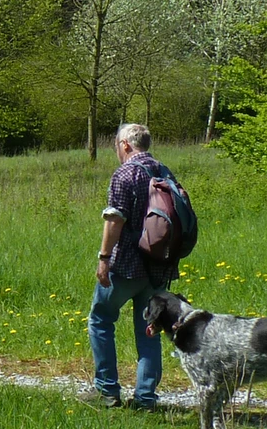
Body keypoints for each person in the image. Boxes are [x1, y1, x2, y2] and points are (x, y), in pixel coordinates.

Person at [83, 123, 178, 409]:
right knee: (149, 328)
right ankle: (146, 398)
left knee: (100, 319)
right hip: (159, 265)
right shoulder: (164, 171)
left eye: (116, 144)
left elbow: (115, 220)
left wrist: (103, 258)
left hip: (126, 266)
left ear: (125, 144)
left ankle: (107, 391)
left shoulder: (125, 173)